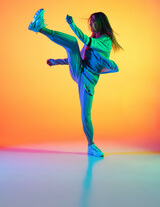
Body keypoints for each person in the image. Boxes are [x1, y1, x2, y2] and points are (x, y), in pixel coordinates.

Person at [28, 9, 123, 157]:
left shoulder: (105, 41)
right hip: (79, 70)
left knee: (85, 116)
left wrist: (72, 24)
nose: (90, 23)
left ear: (101, 23)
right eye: (90, 20)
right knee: (72, 43)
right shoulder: (93, 38)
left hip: (87, 81)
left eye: (93, 20)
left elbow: (86, 40)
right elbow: (77, 56)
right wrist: (55, 62)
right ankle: (39, 28)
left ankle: (91, 145)